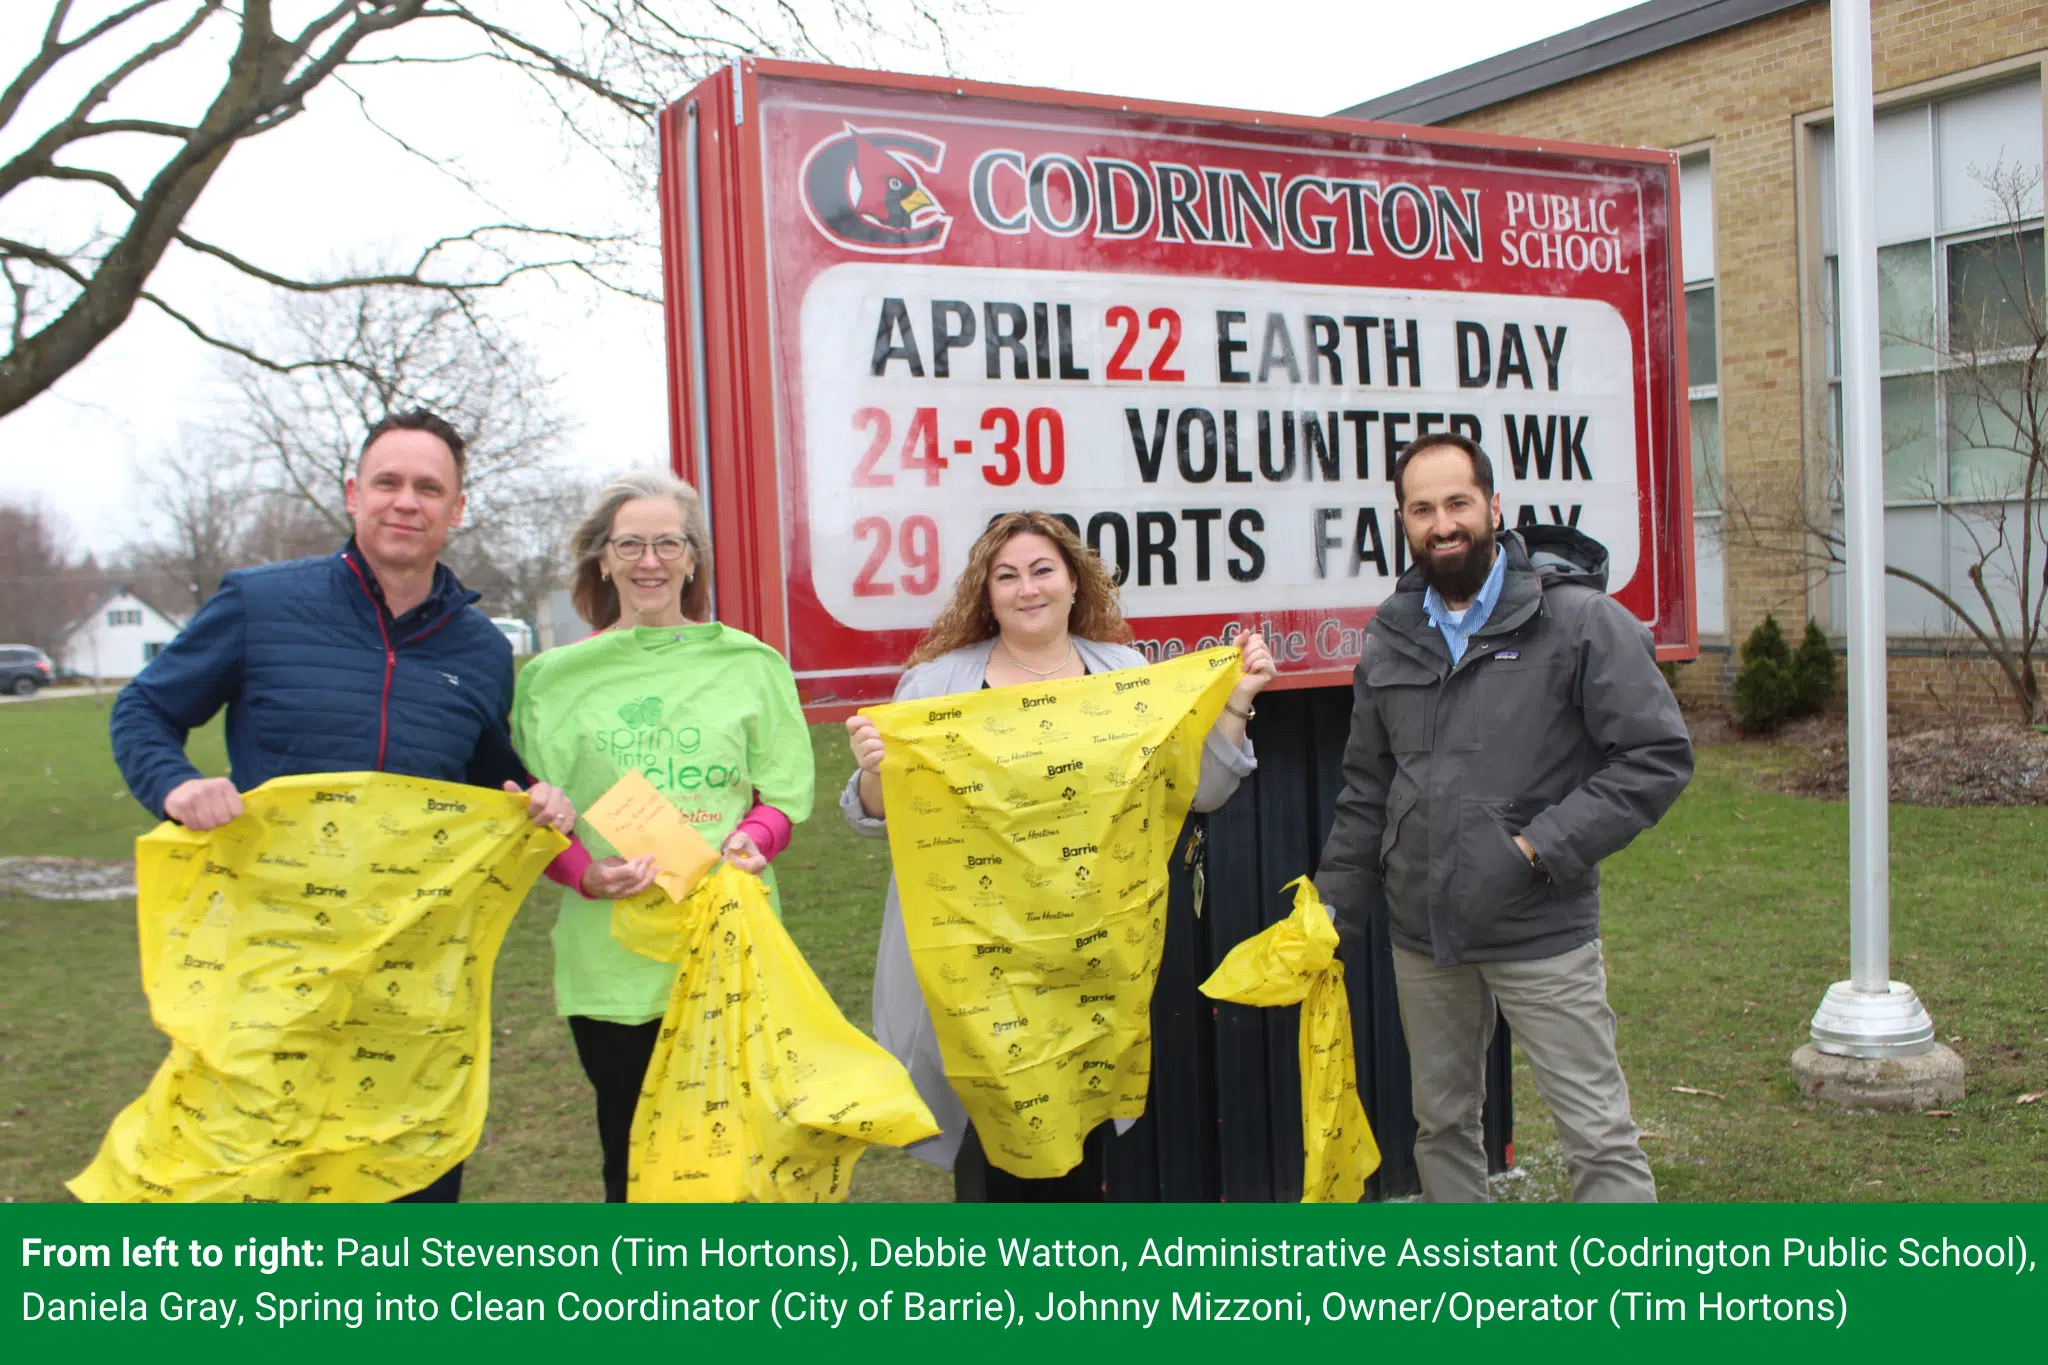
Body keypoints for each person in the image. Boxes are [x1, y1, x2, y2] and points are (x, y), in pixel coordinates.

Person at [108, 408, 579, 1204]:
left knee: (409, 1183)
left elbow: (482, 768)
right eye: (388, 482)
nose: (407, 501)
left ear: (456, 509)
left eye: (429, 488)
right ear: (353, 493)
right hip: (271, 967)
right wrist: (176, 784)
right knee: (259, 1187)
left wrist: (535, 796)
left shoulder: (481, 648)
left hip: (412, 978)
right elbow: (143, 711)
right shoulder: (260, 603)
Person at [842, 510, 1276, 1201]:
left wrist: (1238, 705)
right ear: (986, 593)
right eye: (1006, 575)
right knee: (997, 1166)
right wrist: (871, 771)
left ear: (1075, 580)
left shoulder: (1125, 674)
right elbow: (875, 820)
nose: (1027, 588)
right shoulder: (934, 686)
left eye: (1043, 570)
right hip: (979, 973)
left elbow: (1197, 792)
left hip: (1091, 968)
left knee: (1081, 1160)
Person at [1313, 433, 1693, 1203]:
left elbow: (1656, 756)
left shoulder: (1581, 622)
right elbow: (1366, 788)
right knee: (1443, 1127)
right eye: (1422, 508)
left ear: (1494, 507)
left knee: (1598, 1136)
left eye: (1457, 502)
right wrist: (1330, 910)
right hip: (1425, 935)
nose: (1442, 522)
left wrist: (1536, 846)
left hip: (1539, 926)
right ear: (1403, 520)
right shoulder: (1391, 637)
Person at [510, 469, 813, 1204]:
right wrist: (583, 871)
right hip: (614, 963)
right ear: (602, 559)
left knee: (742, 1157)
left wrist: (757, 838)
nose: (650, 561)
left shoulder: (751, 664)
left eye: (667, 543)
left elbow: (786, 793)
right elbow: (532, 816)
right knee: (638, 1161)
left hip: (732, 949)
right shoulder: (551, 678)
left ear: (692, 557)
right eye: (630, 544)